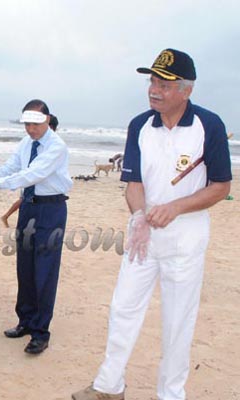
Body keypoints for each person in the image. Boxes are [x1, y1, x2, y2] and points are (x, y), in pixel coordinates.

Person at [71, 49, 232, 400]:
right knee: (123, 308)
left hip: (186, 236)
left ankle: (171, 394)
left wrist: (176, 207)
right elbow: (134, 183)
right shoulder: (139, 125)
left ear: (187, 90)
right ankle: (109, 386)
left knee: (177, 319)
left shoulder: (209, 125)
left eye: (164, 84)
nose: (154, 90)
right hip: (142, 233)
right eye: (152, 81)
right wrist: (139, 216)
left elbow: (221, 186)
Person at [0, 100, 71, 355]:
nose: (31, 129)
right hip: (28, 207)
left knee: (45, 270)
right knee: (25, 266)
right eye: (27, 124)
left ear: (47, 119)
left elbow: (32, 175)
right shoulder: (26, 142)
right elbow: (11, 166)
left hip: (50, 209)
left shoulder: (56, 146)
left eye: (35, 124)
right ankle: (25, 321)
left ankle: (40, 332)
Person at [0, 115, 61, 228]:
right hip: (28, 184)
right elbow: (16, 165)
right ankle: (6, 216)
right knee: (23, 200)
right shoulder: (29, 142)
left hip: (43, 197)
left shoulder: (55, 146)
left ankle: (6, 216)